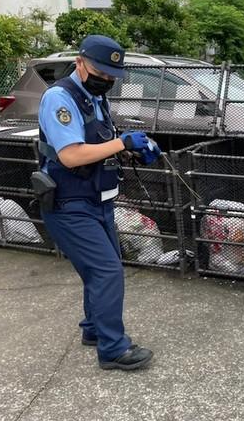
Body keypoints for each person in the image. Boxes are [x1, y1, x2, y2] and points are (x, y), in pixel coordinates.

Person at [37, 35, 160, 371]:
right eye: (101, 72)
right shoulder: (60, 98)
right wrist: (122, 143)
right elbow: (72, 155)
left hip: (98, 201)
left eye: (111, 77)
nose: (106, 80)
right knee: (107, 273)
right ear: (80, 62)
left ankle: (93, 330)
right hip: (69, 204)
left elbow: (100, 142)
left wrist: (135, 148)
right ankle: (113, 349)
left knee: (97, 273)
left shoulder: (94, 98)